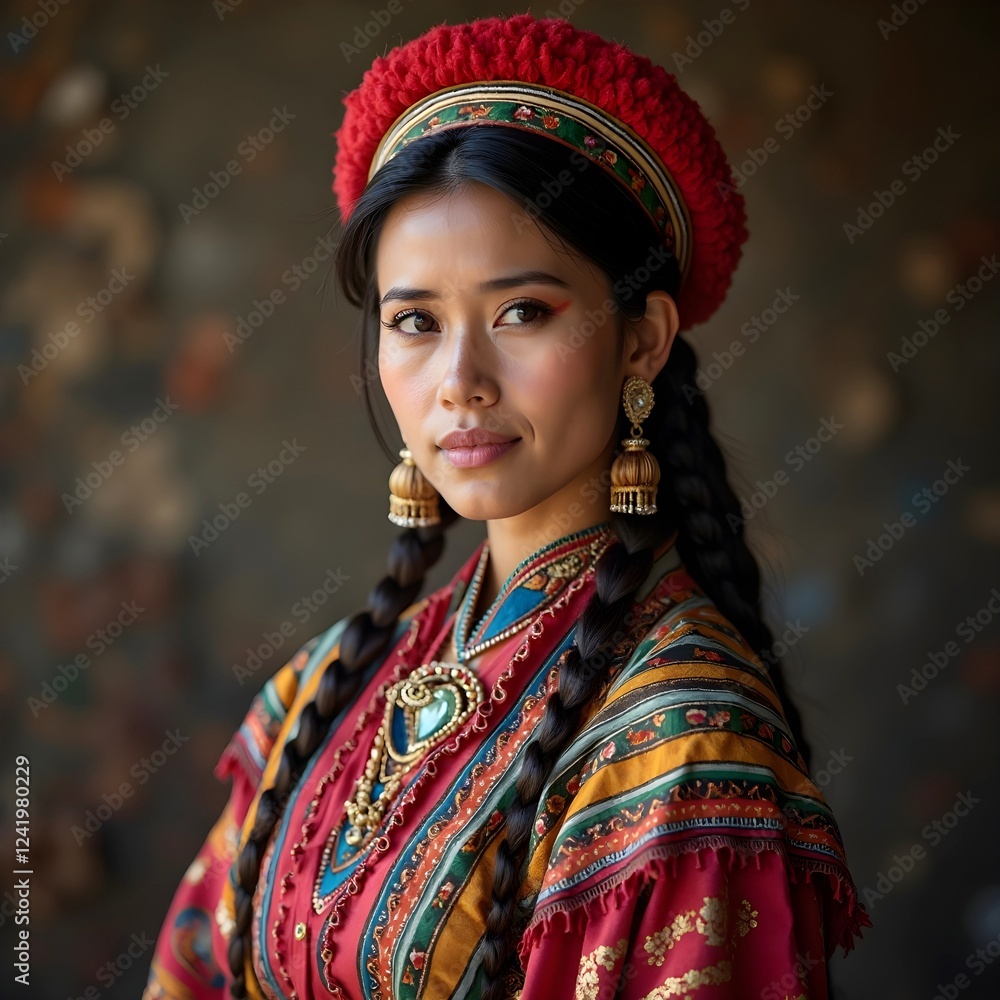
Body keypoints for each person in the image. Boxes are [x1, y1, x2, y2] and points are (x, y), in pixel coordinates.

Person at [142, 12, 870, 1000]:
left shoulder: (682, 755)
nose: (459, 380)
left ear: (644, 340)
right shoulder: (319, 696)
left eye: (523, 311)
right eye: (414, 321)